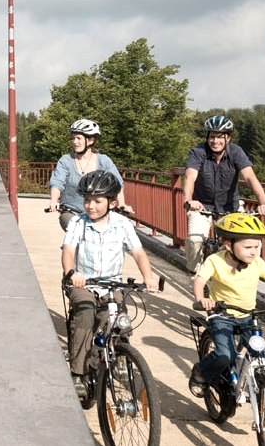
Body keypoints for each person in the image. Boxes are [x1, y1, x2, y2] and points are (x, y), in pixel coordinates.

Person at [188, 213, 265, 398]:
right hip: (222, 316)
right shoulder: (215, 260)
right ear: (228, 245)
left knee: (263, 356)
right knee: (225, 355)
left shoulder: (257, 263)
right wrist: (202, 299)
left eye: (257, 246)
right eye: (248, 247)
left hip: (248, 316)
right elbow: (199, 281)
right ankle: (201, 372)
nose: (254, 251)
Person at [61, 170, 159, 401]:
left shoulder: (122, 224)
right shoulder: (78, 222)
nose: (90, 206)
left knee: (119, 319)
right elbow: (68, 251)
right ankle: (78, 373)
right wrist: (71, 272)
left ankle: (119, 358)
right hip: (84, 282)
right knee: (84, 317)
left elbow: (138, 252)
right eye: (87, 200)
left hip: (111, 282)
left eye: (97, 201)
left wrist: (149, 276)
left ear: (112, 202)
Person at [181, 115, 265, 266]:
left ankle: (246, 274)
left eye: (219, 137)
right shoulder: (198, 152)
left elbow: (250, 177)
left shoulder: (236, 152)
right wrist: (189, 201)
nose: (215, 141)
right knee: (194, 240)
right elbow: (190, 177)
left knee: (251, 240)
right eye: (212, 137)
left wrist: (264, 202)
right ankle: (195, 274)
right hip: (202, 206)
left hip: (231, 207)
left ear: (228, 138)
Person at [48, 119, 131, 231]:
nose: (74, 142)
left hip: (98, 213)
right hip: (72, 212)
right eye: (73, 138)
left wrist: (122, 204)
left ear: (90, 140)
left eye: (78, 138)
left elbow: (117, 183)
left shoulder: (104, 161)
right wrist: (54, 200)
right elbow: (57, 183)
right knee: (75, 230)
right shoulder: (66, 160)